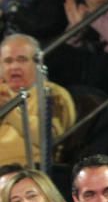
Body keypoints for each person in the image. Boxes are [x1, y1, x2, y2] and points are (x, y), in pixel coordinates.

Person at [0, 34, 76, 167]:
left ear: (38, 63)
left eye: (22, 60)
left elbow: (48, 138)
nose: (14, 67)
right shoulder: (2, 91)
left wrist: (10, 111)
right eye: (8, 61)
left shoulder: (52, 94)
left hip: (26, 172)